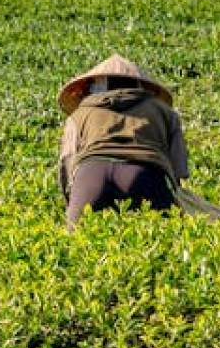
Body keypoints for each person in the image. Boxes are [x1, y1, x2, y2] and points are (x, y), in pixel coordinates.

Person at [58, 54, 190, 229]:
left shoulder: (79, 114)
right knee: (165, 241)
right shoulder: (164, 111)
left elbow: (67, 160)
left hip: (91, 175)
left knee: (73, 245)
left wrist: (74, 200)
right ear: (140, 85)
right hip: (145, 174)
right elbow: (179, 166)